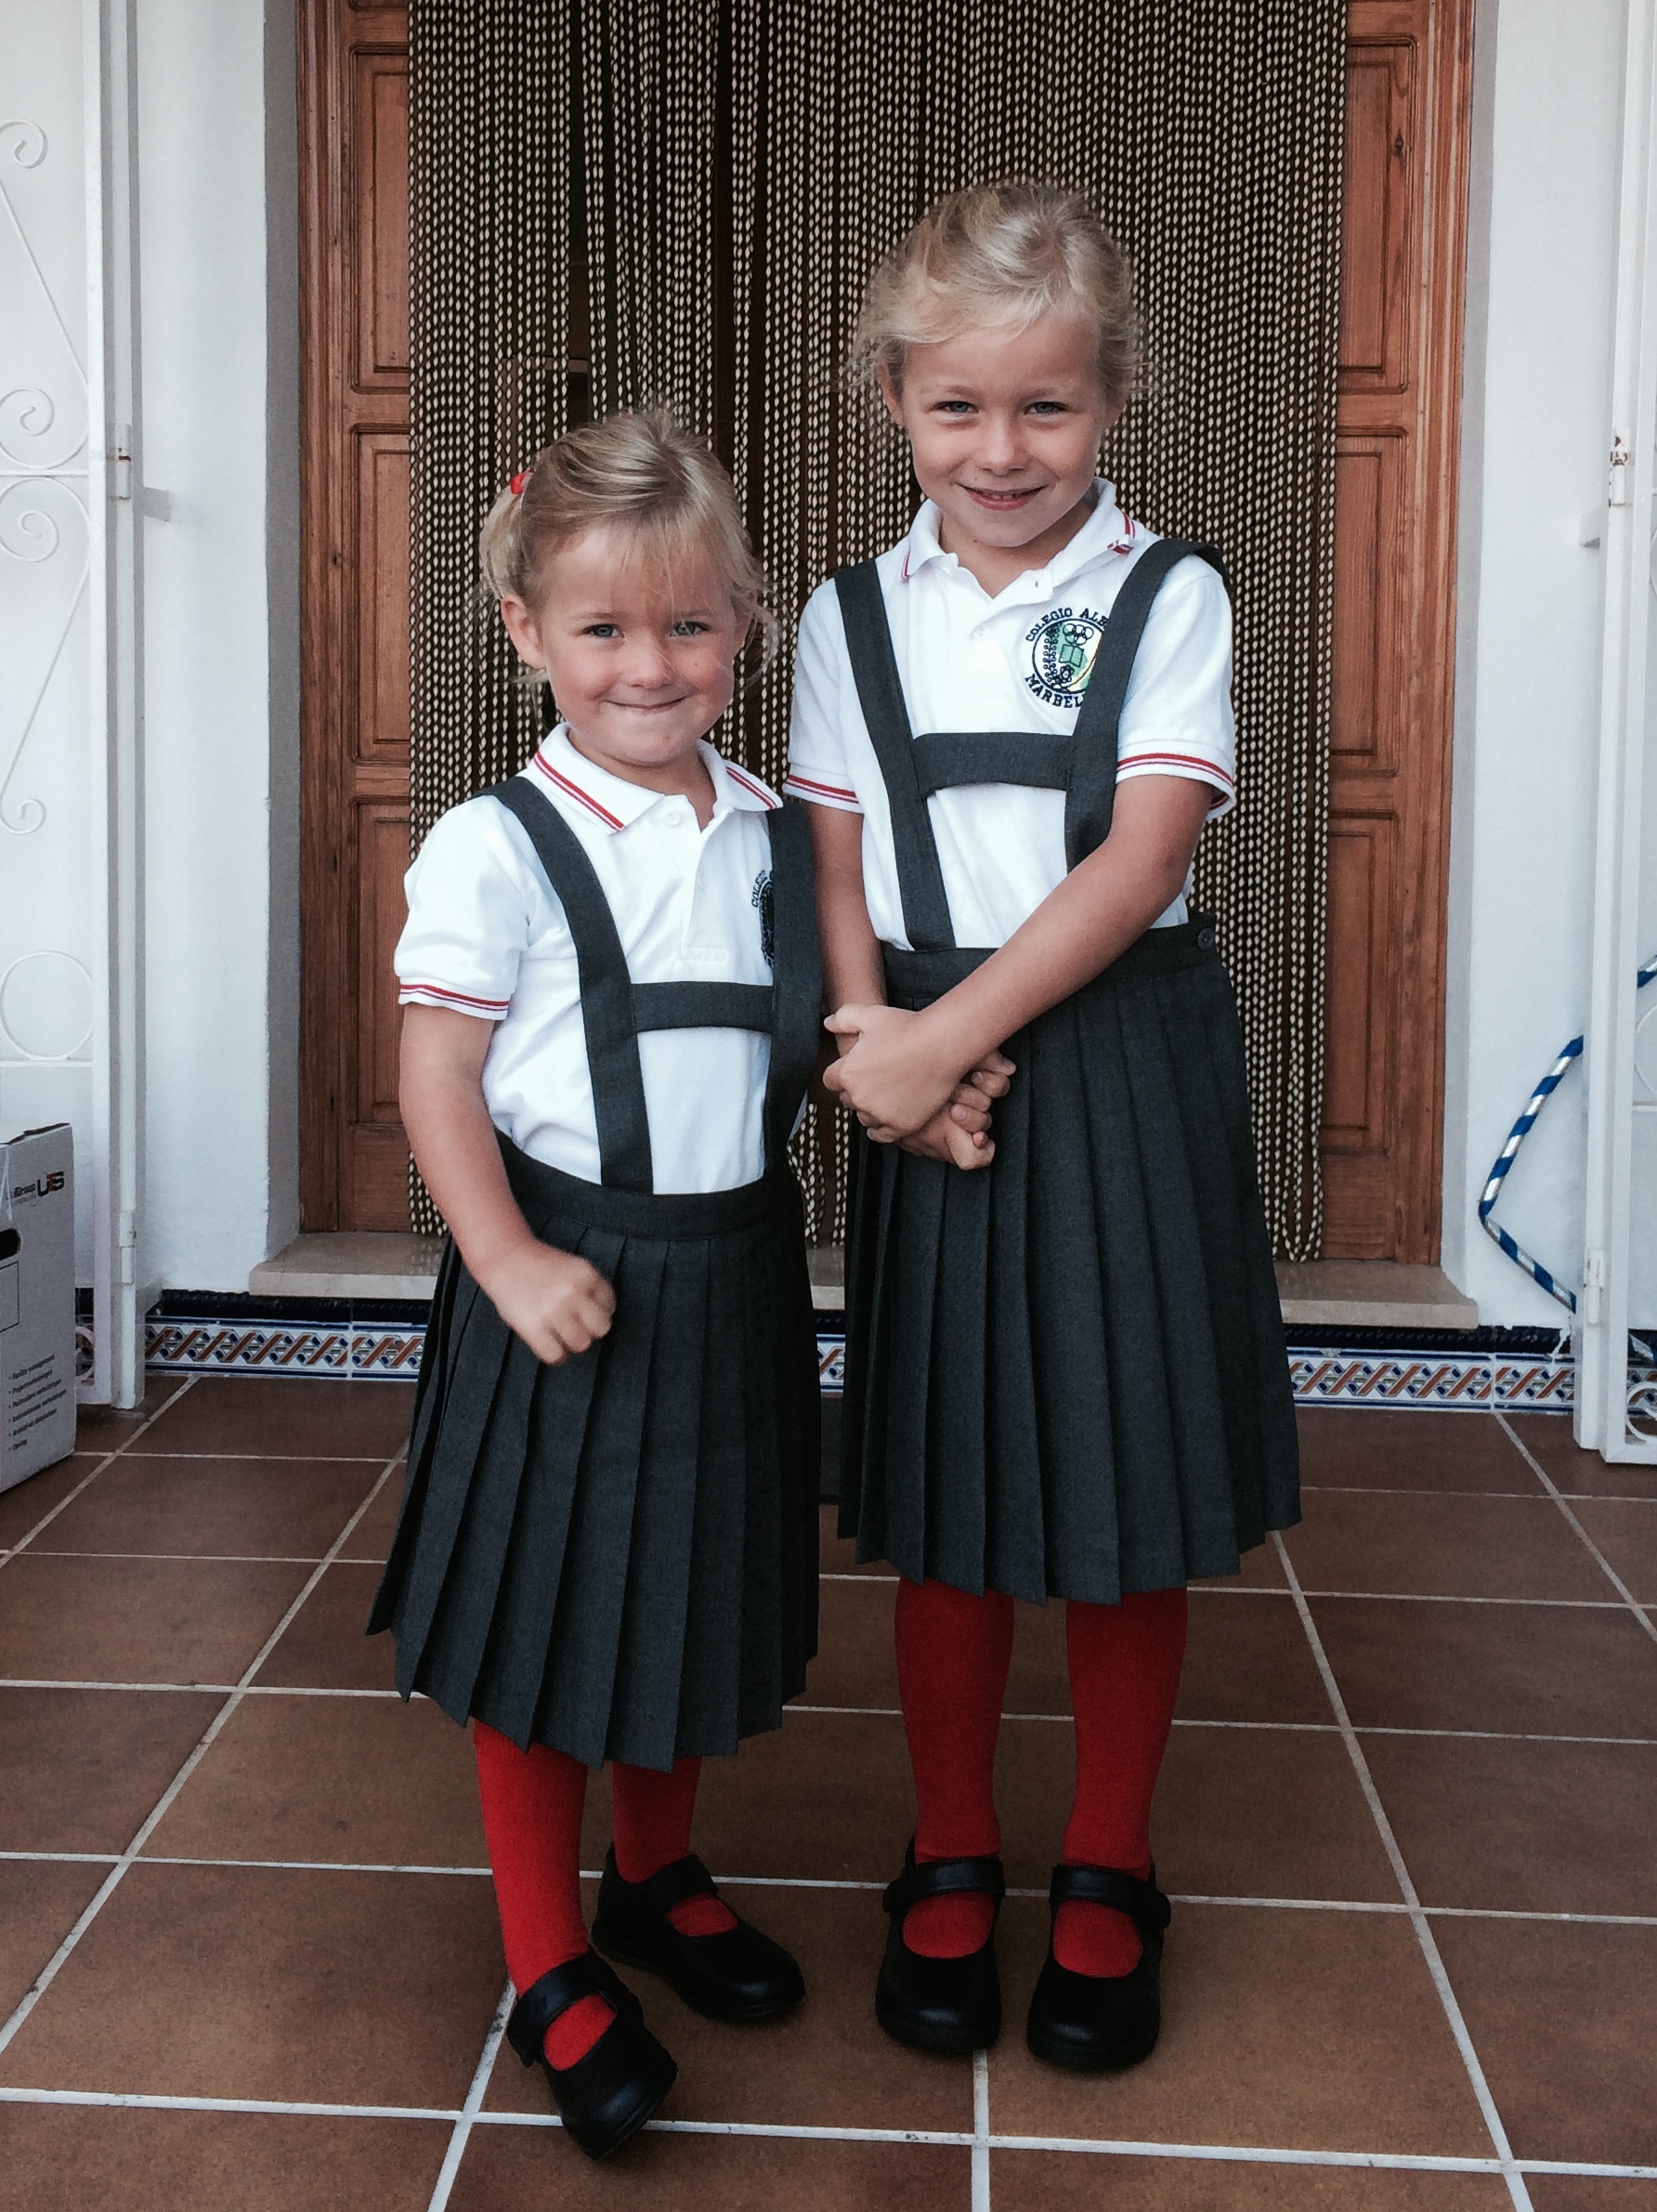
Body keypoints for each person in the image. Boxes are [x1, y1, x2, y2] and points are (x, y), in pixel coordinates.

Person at [369, 409, 959, 2160]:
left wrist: (922, 1085)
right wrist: (503, 1256)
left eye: (691, 624)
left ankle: (656, 1872)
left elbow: (823, 1033)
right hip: (561, 1279)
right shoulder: (496, 843)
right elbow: (435, 1075)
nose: (651, 664)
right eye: (606, 627)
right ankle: (546, 1960)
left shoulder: (776, 832)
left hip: (734, 1272)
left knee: (686, 1588)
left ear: (743, 630)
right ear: (527, 631)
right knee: (547, 1620)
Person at [785, 182, 1301, 2075]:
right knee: (946, 1484)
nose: (1000, 451)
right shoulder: (850, 616)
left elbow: (1142, 858)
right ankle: (948, 1843)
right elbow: (835, 864)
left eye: (1046, 408)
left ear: (1112, 402)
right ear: (895, 404)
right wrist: (879, 1054)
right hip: (930, 1080)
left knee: (1120, 1477)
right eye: (958, 408)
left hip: (1116, 1058)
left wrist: (942, 1045)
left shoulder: (1173, 596)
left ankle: (1108, 1857)